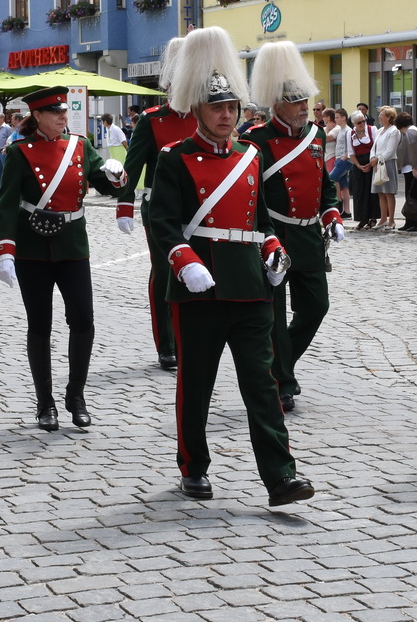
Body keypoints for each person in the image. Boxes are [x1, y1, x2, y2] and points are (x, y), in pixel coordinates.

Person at [145, 27, 314, 506]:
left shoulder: (250, 156)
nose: (226, 115)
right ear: (197, 109)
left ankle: (280, 477)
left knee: (262, 384)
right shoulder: (174, 158)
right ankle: (193, 467)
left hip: (251, 286)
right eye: (216, 107)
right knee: (196, 384)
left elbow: (261, 219)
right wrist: (184, 261)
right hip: (200, 288)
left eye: (232, 107)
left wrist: (273, 249)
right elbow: (162, 222)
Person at [0, 85, 126, 430]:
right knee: (40, 326)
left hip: (72, 246)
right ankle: (45, 403)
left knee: (83, 320)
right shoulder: (19, 152)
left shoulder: (79, 146)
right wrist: (5, 251)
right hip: (33, 249)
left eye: (64, 111)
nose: (62, 117)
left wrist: (116, 174)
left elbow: (106, 184)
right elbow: (6, 204)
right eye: (55, 112)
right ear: (37, 115)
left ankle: (76, 395)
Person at [244, 41, 347, 413]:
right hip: (273, 236)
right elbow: (251, 196)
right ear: (277, 104)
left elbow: (323, 186)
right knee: (273, 316)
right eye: (296, 102)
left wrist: (331, 214)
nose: (305, 107)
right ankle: (281, 382)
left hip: (307, 235)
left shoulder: (315, 135)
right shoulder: (255, 141)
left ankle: (278, 365)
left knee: (317, 306)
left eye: (306, 100)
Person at [116, 35, 198, 372]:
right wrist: (124, 204)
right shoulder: (153, 120)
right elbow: (133, 165)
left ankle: (192, 336)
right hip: (160, 206)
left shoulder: (204, 116)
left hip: (199, 208)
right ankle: (167, 344)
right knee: (165, 272)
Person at [396, 111, 417, 232]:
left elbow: (414, 152)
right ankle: (410, 221)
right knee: (410, 196)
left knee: (414, 197)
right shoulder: (413, 131)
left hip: (412, 169)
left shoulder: (411, 133)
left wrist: (415, 168)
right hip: (409, 169)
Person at [371, 106, 400, 229]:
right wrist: (372, 158)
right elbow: (374, 147)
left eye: (382, 115)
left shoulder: (394, 131)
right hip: (377, 163)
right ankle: (383, 219)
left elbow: (390, 150)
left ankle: (391, 220)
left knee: (389, 192)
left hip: (387, 163)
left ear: (388, 117)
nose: (379, 117)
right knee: (380, 192)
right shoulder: (379, 130)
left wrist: (378, 159)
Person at [348, 112, 376, 228]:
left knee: (372, 192)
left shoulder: (372, 130)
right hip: (358, 164)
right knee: (359, 192)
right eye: (359, 122)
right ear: (354, 123)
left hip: (371, 162)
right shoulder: (350, 133)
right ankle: (362, 218)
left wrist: (370, 164)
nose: (362, 124)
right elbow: (351, 153)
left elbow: (376, 147)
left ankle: (373, 217)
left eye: (364, 121)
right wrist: (359, 165)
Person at [0, 111, 13, 183]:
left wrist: (6, 148)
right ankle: (0, 187)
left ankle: (5, 187)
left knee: (5, 171)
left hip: (4, 152)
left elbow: (10, 139)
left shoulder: (7, 128)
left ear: (2, 119)